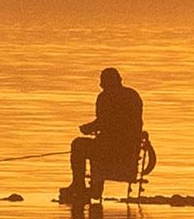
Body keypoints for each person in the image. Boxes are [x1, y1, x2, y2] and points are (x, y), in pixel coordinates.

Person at [60, 67, 143, 204]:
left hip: (110, 148)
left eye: (103, 82)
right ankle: (93, 188)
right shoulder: (132, 95)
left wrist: (88, 128)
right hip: (129, 149)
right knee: (95, 145)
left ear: (109, 82)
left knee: (78, 145)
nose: (100, 85)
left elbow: (104, 122)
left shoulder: (105, 97)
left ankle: (78, 185)